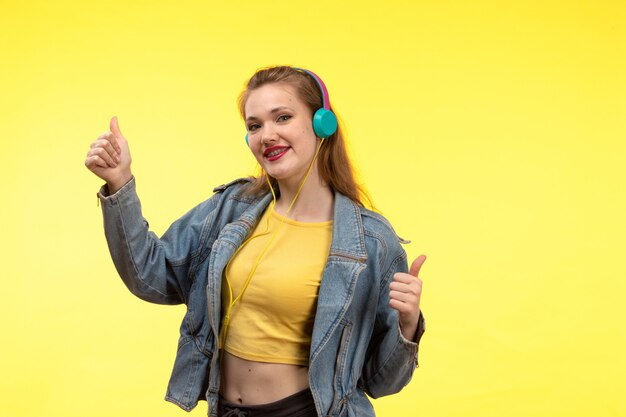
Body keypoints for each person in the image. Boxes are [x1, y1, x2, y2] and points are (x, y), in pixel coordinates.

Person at [84, 66, 426, 417]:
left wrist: (407, 325)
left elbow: (382, 382)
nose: (267, 135)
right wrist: (119, 182)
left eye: (283, 117)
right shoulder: (230, 209)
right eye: (255, 125)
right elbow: (150, 275)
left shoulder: (370, 241)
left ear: (322, 123)